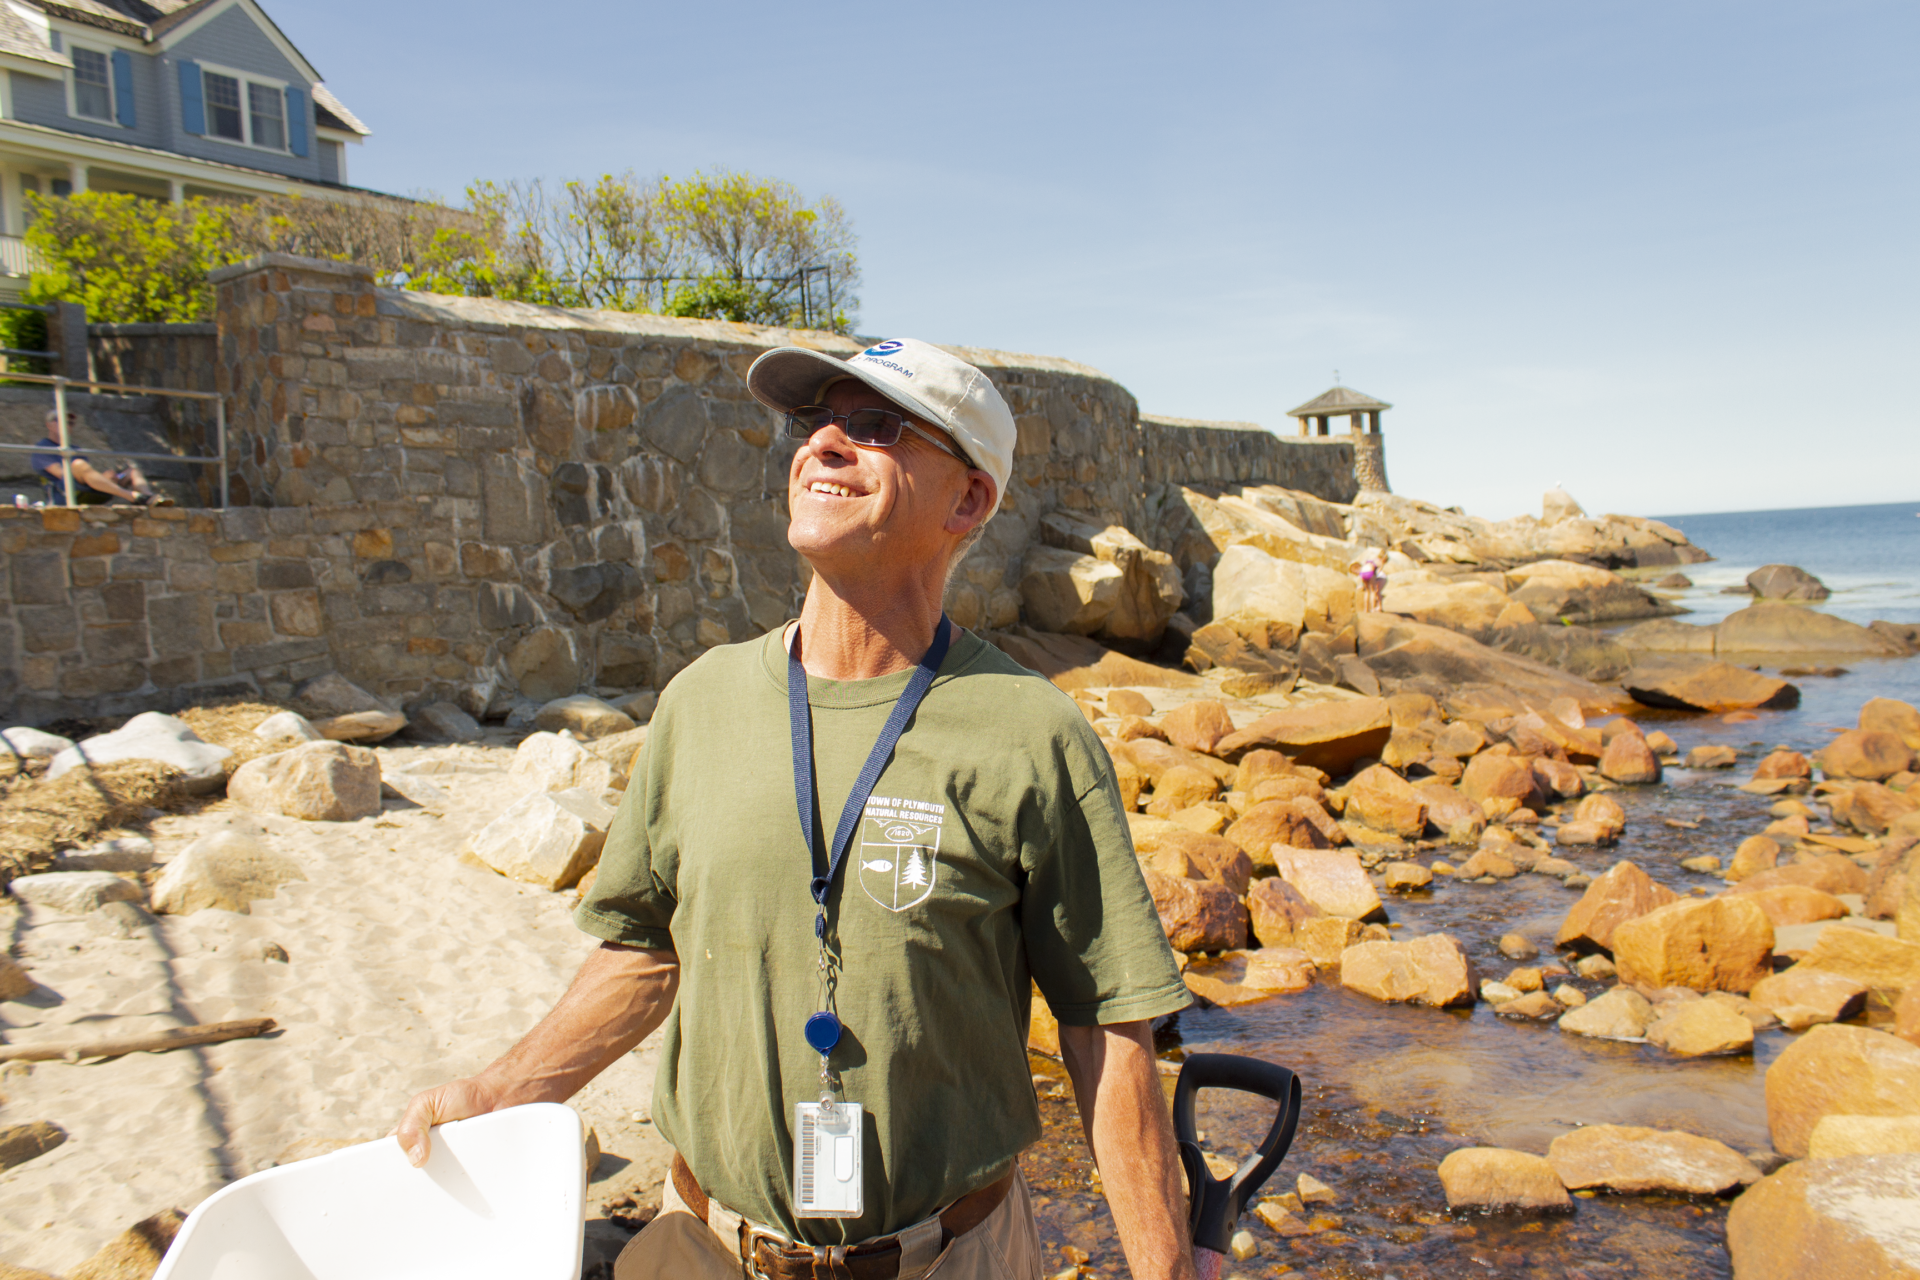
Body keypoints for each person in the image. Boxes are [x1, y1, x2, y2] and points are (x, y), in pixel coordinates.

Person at [395, 338, 1198, 1280]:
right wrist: (497, 1092)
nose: (824, 444)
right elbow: (646, 950)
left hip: (951, 1259)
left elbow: (1106, 1025)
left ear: (969, 500)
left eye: (874, 426)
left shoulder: (1032, 730)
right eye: (813, 422)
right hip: (699, 1247)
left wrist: (1166, 1269)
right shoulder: (700, 701)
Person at [30, 409, 164, 506]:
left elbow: (88, 476)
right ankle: (132, 496)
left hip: (89, 490)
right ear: (49, 425)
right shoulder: (43, 448)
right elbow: (62, 474)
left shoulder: (76, 450)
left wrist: (106, 478)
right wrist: (92, 475)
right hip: (65, 493)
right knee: (78, 464)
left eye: (70, 423)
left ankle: (148, 498)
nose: (67, 425)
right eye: (61, 421)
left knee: (132, 472)